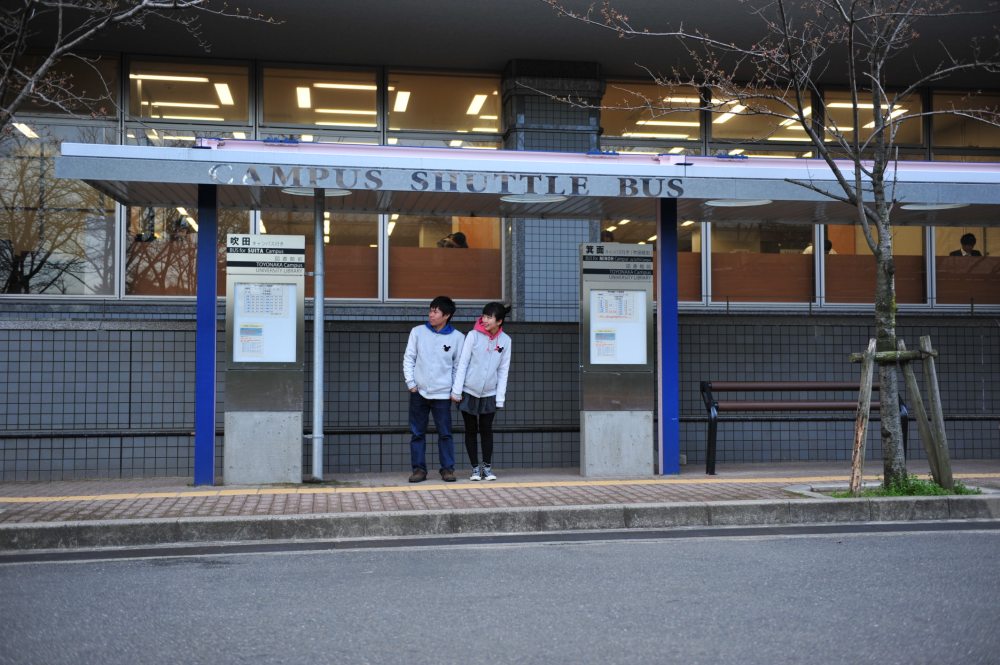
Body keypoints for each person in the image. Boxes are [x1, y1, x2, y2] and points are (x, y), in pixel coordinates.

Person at [403, 295, 464, 483]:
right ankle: (419, 470)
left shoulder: (457, 337)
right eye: (430, 310)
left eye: (435, 311)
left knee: (445, 433)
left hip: (443, 394)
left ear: (446, 315)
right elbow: (409, 357)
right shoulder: (418, 332)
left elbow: (458, 366)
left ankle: (447, 469)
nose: (431, 314)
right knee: (417, 433)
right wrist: (411, 383)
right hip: (419, 392)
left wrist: (456, 391)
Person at [451, 302, 512, 481]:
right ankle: (475, 469)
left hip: (489, 393)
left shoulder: (506, 341)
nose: (484, 320)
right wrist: (457, 391)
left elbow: (503, 370)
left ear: (499, 321)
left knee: (487, 430)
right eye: (483, 316)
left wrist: (500, 398)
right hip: (469, 390)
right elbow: (462, 363)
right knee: (470, 430)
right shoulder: (473, 336)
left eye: (488, 317)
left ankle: (487, 467)